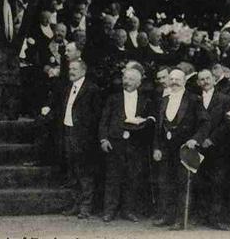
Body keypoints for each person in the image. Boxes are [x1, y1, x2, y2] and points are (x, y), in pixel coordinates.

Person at [151, 68, 205, 230]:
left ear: (184, 81)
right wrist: (157, 148)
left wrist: (195, 139)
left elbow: (204, 122)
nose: (174, 82)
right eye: (172, 79)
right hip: (166, 149)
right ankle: (167, 216)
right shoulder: (164, 100)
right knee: (165, 183)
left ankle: (181, 220)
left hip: (184, 148)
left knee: (183, 183)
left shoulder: (194, 99)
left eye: (178, 79)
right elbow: (158, 128)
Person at [184, 67, 230, 230]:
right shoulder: (194, 99)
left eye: (208, 78)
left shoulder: (226, 99)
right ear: (198, 82)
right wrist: (197, 139)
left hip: (218, 148)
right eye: (201, 79)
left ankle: (216, 218)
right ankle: (200, 216)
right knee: (199, 182)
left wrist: (212, 139)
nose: (205, 82)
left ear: (214, 80)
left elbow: (227, 123)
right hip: (198, 147)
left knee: (217, 183)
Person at [99, 65, 154, 222]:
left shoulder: (145, 100)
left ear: (138, 83)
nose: (127, 82)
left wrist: (145, 121)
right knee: (112, 177)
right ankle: (109, 211)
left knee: (132, 177)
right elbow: (104, 120)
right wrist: (103, 139)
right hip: (115, 143)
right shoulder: (113, 98)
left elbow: (152, 119)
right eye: (125, 78)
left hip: (135, 144)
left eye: (131, 79)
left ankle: (128, 211)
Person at [51, 59, 103, 219]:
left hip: (84, 137)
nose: (71, 71)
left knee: (85, 173)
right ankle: (75, 204)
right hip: (68, 133)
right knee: (72, 172)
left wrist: (88, 135)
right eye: (70, 68)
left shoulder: (92, 89)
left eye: (74, 69)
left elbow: (96, 115)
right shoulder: (68, 88)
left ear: (83, 71)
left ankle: (86, 207)